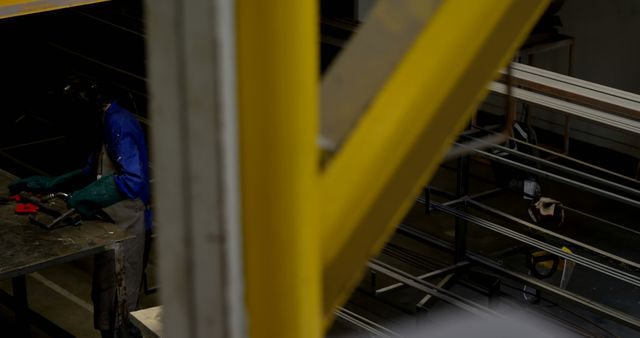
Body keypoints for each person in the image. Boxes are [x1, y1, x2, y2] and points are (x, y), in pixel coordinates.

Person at [9, 79, 151, 338]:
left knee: (120, 303)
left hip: (127, 224)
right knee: (105, 296)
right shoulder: (104, 121)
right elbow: (91, 170)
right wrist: (52, 184)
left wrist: (87, 195)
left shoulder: (119, 123)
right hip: (109, 223)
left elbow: (133, 180)